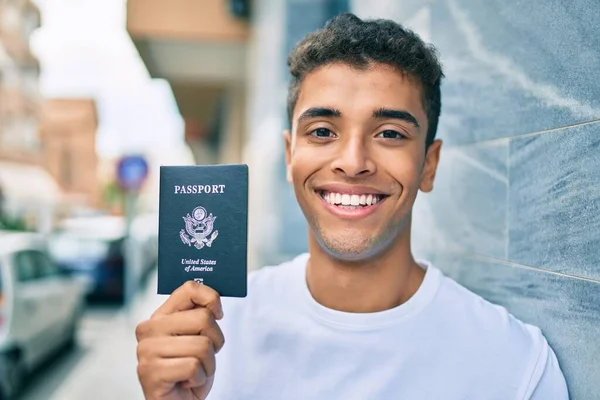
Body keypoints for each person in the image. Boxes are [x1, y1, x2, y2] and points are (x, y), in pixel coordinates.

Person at [135, 13, 569, 400]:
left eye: (391, 134)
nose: (353, 162)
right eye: (323, 131)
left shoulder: (515, 367)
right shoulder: (211, 336)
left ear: (428, 165)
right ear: (290, 157)